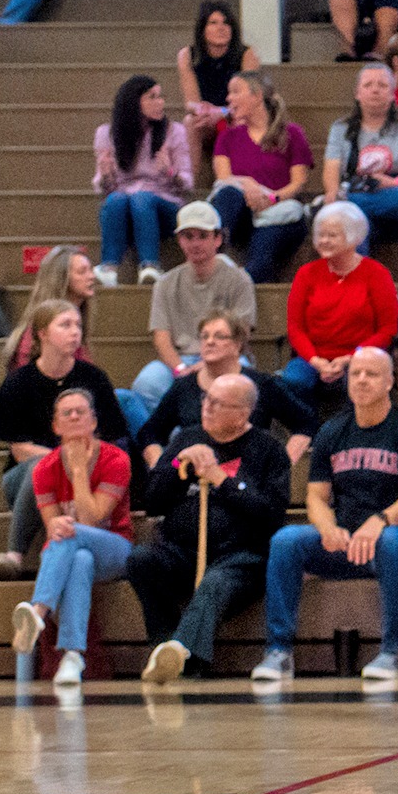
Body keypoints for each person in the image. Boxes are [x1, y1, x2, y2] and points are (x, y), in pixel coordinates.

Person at [252, 348, 398, 683]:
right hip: (350, 542)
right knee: (286, 540)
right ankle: (278, 652)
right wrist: (327, 528)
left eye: (372, 374)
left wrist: (380, 521)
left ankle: (395, 653)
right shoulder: (332, 432)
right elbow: (316, 497)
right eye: (356, 374)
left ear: (390, 382)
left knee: (390, 541)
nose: (362, 380)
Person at [131, 373, 291, 683]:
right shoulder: (187, 438)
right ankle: (164, 646)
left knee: (216, 581)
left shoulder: (269, 450)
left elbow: (270, 513)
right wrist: (179, 468)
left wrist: (220, 478)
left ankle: (183, 655)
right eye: (207, 399)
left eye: (218, 403)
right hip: (183, 551)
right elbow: (152, 501)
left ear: (243, 413)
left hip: (243, 557)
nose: (207, 407)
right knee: (142, 560)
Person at [0, 301, 127, 584]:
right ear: (42, 334)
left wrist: (80, 464)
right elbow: (19, 448)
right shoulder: (17, 383)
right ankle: (14, 555)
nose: (75, 332)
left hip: (87, 470)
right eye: (65, 325)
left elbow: (112, 436)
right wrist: (64, 461)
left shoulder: (93, 377)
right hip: (26, 476)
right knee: (40, 463)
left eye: (77, 325)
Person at [5, 389, 131, 685]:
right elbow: (53, 529)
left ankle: (38, 612)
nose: (74, 416)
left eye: (81, 412)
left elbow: (92, 520)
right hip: (74, 551)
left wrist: (77, 470)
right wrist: (61, 527)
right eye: (66, 413)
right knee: (79, 559)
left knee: (74, 536)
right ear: (55, 427)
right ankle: (72, 656)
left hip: (115, 548)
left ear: (93, 421)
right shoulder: (44, 469)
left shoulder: (116, 460)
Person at [136, 310, 315, 470]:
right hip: (194, 478)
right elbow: (150, 433)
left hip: (249, 476)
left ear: (237, 344)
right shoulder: (184, 386)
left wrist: (283, 464)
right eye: (204, 336)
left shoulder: (261, 384)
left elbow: (306, 423)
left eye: (219, 336)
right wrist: (162, 467)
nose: (210, 342)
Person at [129, 202, 256, 412]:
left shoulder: (239, 280)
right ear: (179, 240)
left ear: (217, 239)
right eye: (188, 236)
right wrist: (181, 369)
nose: (195, 243)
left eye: (203, 235)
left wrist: (205, 366)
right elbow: (161, 336)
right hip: (180, 361)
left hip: (226, 356)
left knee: (240, 379)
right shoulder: (166, 283)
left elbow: (241, 334)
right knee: (146, 383)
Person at [281, 202, 398, 405]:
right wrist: (315, 361)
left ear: (354, 237)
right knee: (292, 381)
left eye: (332, 235)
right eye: (321, 235)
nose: (324, 241)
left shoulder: (376, 274)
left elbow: (387, 329)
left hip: (360, 357)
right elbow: (295, 328)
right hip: (313, 358)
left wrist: (349, 359)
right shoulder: (306, 274)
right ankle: (308, 433)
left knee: (359, 382)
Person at [211, 70, 311, 283]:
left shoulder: (292, 134)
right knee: (228, 193)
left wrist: (271, 198)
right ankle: (215, 254)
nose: (229, 98)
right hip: (242, 212)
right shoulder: (227, 137)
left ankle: (249, 280)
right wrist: (248, 184)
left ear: (257, 96)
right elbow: (224, 178)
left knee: (267, 244)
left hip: (280, 210)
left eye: (236, 92)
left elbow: (298, 182)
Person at [94, 74, 191, 287]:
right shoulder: (106, 134)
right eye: (152, 97)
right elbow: (103, 187)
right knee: (115, 200)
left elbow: (187, 183)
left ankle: (150, 265)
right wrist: (107, 175)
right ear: (133, 102)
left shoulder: (174, 132)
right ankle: (109, 267)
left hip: (164, 207)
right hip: (125, 210)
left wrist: (170, 172)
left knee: (142, 198)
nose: (161, 102)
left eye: (161, 96)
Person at [321, 63, 398, 246]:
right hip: (358, 186)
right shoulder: (341, 128)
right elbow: (332, 166)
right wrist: (333, 193)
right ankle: (354, 211)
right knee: (354, 220)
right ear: (357, 93)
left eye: (382, 85)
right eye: (368, 85)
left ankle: (350, 206)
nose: (375, 90)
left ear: (392, 94)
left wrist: (394, 182)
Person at [175, 0, 260, 158]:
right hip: (207, 120)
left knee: (240, 122)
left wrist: (220, 112)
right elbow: (190, 102)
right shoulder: (187, 55)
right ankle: (188, 181)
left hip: (234, 115)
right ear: (203, 29)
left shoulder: (247, 55)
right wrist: (207, 112)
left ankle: (239, 180)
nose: (221, 28)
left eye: (226, 23)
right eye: (213, 23)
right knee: (189, 122)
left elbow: (247, 101)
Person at [3, 245, 96, 371]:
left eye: (91, 270)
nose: (91, 276)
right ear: (62, 278)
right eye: (82, 271)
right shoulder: (35, 334)